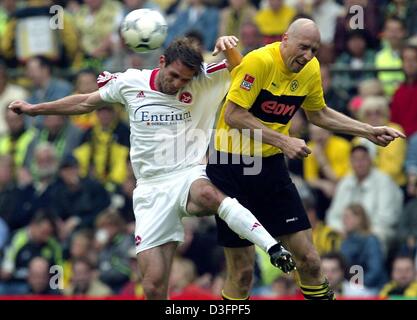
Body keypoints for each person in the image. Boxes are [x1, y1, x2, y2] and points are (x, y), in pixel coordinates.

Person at [8, 36, 295, 300]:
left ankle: (272, 247)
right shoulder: (132, 82)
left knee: (208, 193)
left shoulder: (201, 81)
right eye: (173, 75)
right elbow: (84, 102)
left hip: (186, 173)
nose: (178, 83)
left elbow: (243, 69)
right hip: (148, 189)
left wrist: (229, 45)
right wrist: (36, 109)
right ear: (162, 62)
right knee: (154, 286)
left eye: (184, 79)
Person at [206, 18, 405, 300]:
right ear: (285, 39)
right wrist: (283, 140)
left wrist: (367, 130)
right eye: (303, 47)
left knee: (310, 259)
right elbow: (233, 114)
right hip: (230, 167)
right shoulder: (259, 62)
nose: (308, 55)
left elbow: (318, 113)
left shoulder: (310, 68)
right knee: (242, 272)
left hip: (271, 166)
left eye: (314, 49)